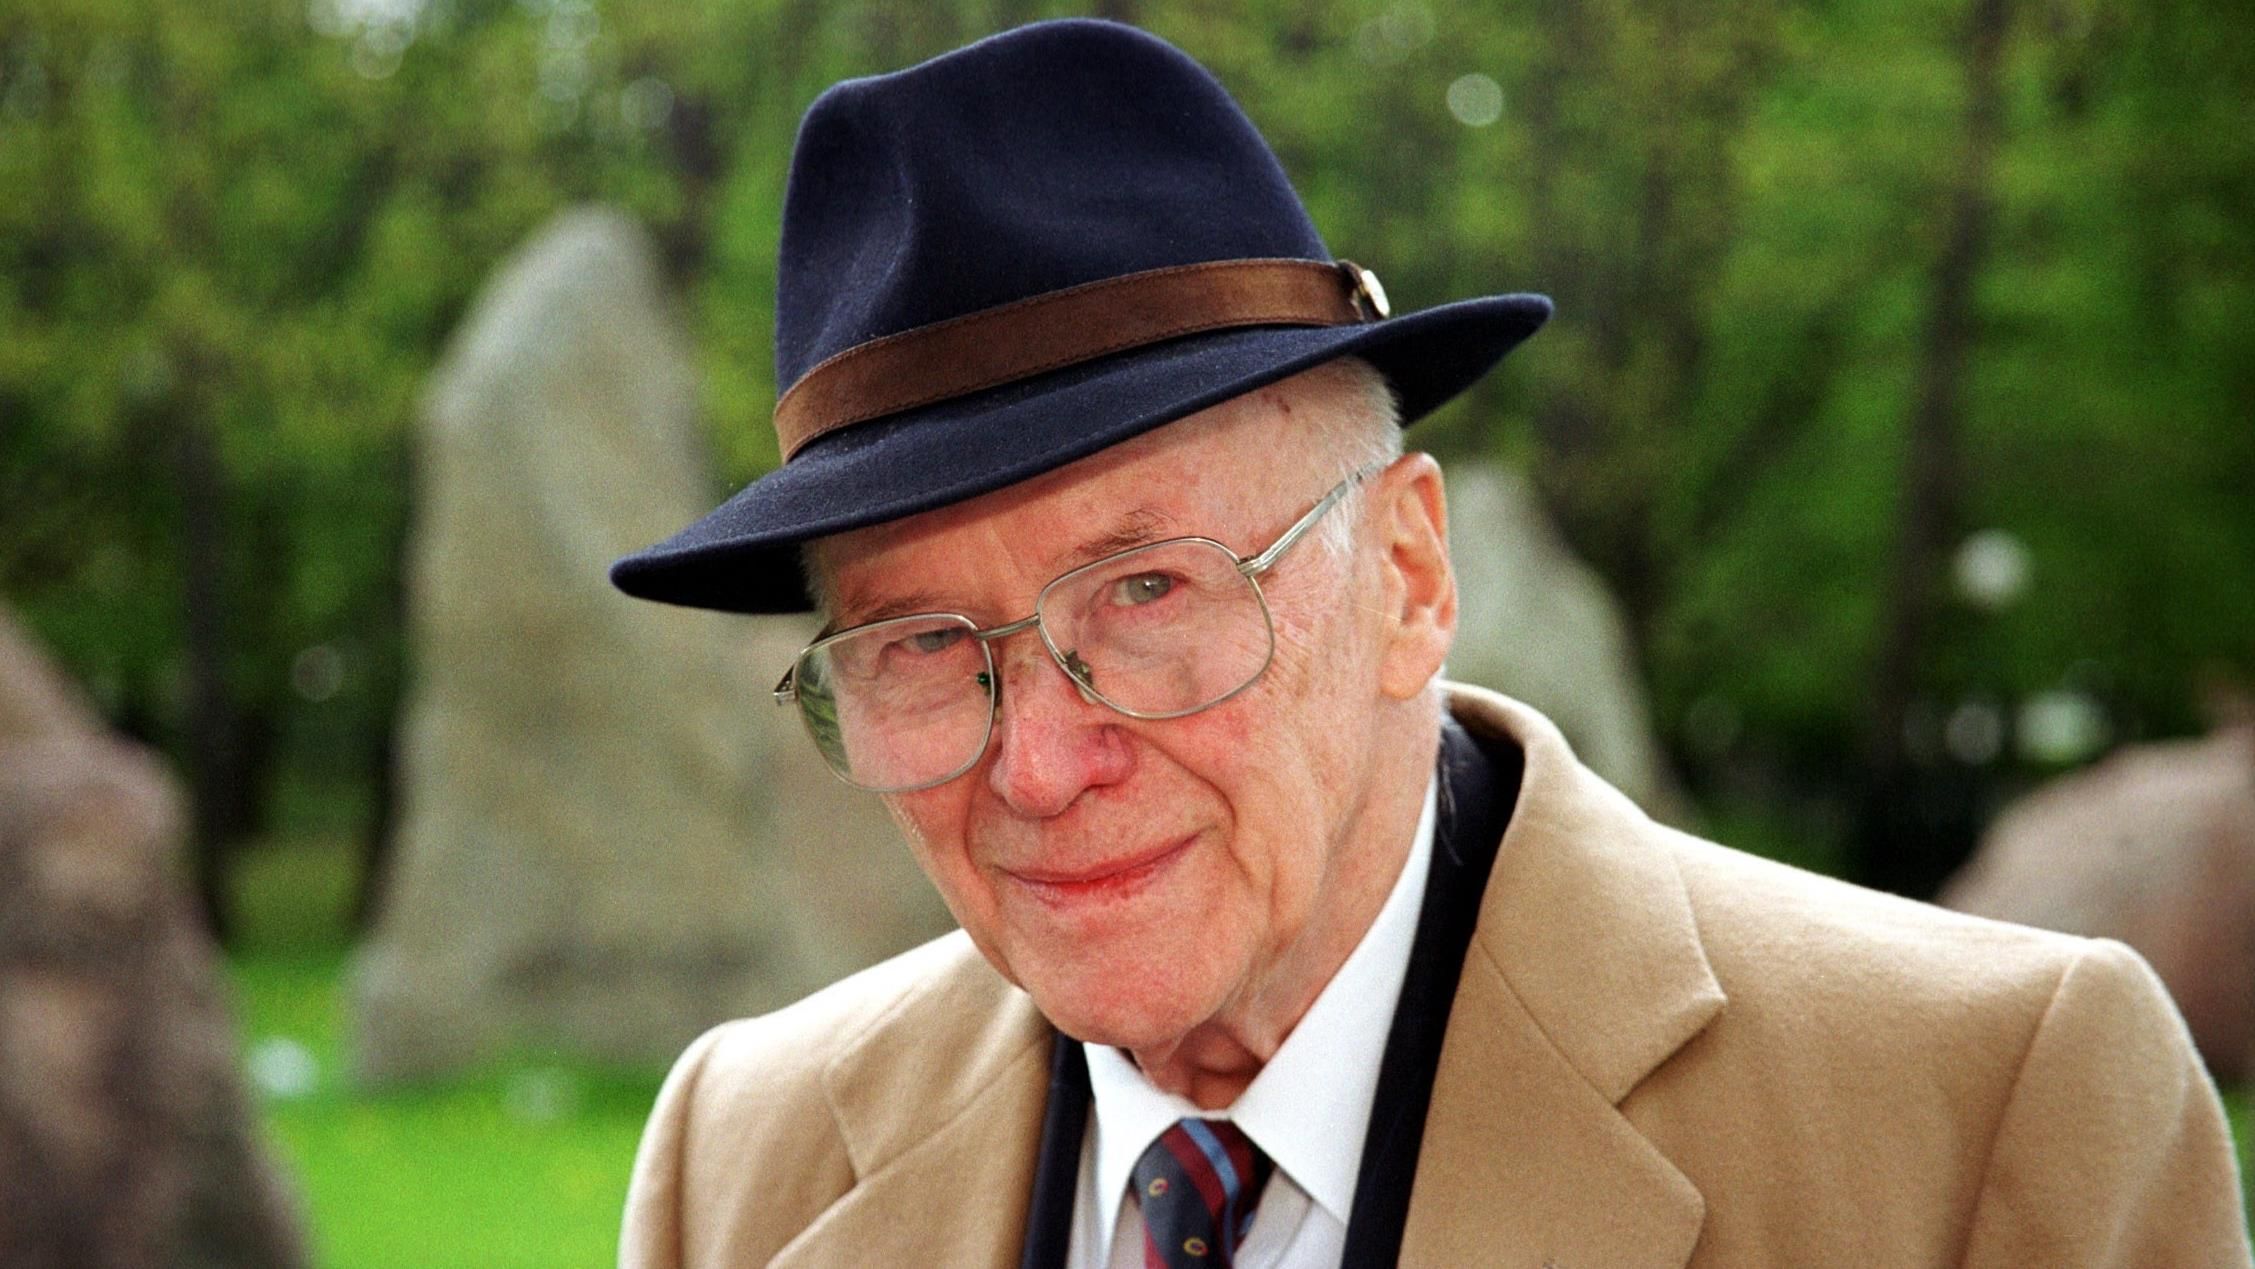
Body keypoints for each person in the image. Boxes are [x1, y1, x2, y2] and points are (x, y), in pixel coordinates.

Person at [610, 19, 2250, 1269]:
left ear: (1404, 574)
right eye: (916, 643)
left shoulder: (1982, 1116)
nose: (1035, 766)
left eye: (1149, 591)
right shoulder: (739, 1162)